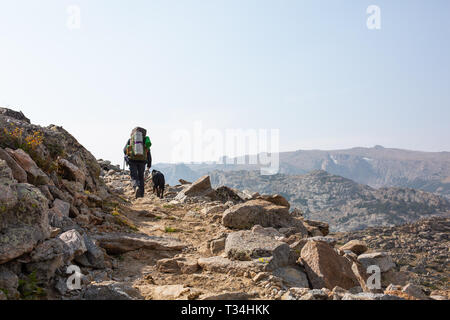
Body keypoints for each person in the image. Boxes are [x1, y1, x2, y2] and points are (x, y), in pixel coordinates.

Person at [123, 127, 152, 198]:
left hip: (132, 160)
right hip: (142, 161)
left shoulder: (131, 140)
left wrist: (127, 155)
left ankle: (136, 187)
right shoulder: (145, 140)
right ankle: (141, 195)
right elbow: (148, 153)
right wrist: (149, 164)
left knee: (134, 176)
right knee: (141, 177)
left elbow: (124, 150)